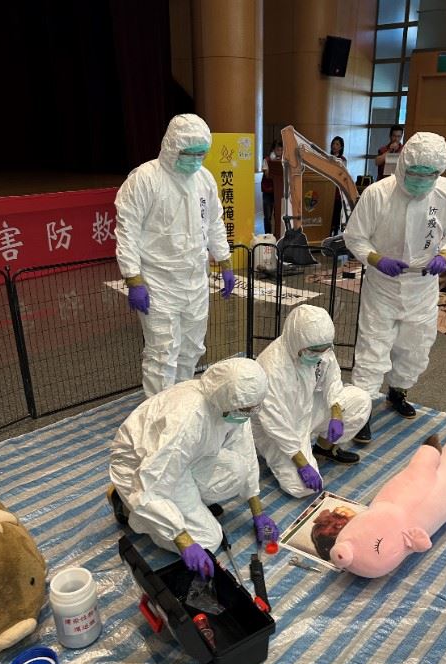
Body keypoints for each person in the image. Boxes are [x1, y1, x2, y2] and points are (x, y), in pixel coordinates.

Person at [344, 131, 446, 441]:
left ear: (440, 172)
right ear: (402, 165)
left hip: (423, 287)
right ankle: (361, 411)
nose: (421, 181)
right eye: (415, 173)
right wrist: (376, 259)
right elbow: (355, 237)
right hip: (383, 285)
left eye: (430, 175)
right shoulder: (378, 194)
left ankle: (397, 392)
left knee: (416, 346)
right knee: (373, 346)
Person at [108, 357, 279, 579]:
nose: (250, 413)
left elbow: (245, 454)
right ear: (230, 399)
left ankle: (185, 510)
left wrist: (259, 513)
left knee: (238, 469)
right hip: (139, 467)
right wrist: (184, 540)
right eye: (247, 409)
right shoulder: (188, 418)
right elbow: (151, 484)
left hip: (181, 461)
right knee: (209, 539)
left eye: (253, 408)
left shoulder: (230, 403)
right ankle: (129, 509)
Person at [115, 114, 235, 398]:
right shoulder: (145, 179)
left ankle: (181, 403)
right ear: (171, 147)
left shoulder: (204, 179)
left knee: (192, 348)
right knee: (162, 353)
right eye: (189, 153)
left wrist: (225, 260)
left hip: (195, 280)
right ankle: (159, 411)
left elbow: (214, 222)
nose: (195, 160)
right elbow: (127, 230)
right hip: (158, 283)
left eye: (200, 154)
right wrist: (133, 279)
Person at [251, 304, 371, 498]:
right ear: (297, 341)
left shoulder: (319, 347)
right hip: (279, 429)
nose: (319, 356)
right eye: (314, 351)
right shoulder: (272, 368)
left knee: (360, 400)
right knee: (303, 488)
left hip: (306, 409)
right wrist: (302, 464)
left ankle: (324, 448)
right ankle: (283, 456)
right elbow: (275, 424)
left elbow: (333, 379)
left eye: (324, 350)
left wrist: (336, 414)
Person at [261, 139, 283, 235]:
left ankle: (277, 235)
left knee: (278, 215)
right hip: (268, 192)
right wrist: (274, 164)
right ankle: (268, 235)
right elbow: (267, 175)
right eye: (278, 149)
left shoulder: (284, 161)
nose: (280, 152)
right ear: (273, 150)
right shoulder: (266, 160)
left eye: (281, 150)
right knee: (268, 216)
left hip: (279, 192)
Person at [330, 136, 347, 236]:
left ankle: (335, 232)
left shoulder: (343, 160)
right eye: (333, 143)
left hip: (337, 190)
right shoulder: (327, 157)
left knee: (336, 212)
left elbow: (342, 174)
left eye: (337, 144)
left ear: (341, 147)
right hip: (328, 188)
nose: (334, 146)